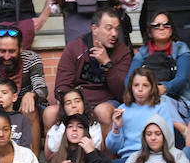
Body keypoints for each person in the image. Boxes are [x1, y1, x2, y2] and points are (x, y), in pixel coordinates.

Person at [49, 9, 132, 139]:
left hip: (107, 102)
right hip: (78, 101)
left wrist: (108, 64)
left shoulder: (122, 52)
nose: (114, 34)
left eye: (116, 29)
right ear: (95, 29)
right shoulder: (74, 48)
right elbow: (62, 86)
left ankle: (107, 158)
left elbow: (123, 92)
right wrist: (73, 104)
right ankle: (52, 158)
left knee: (102, 111)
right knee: (49, 113)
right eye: (109, 28)